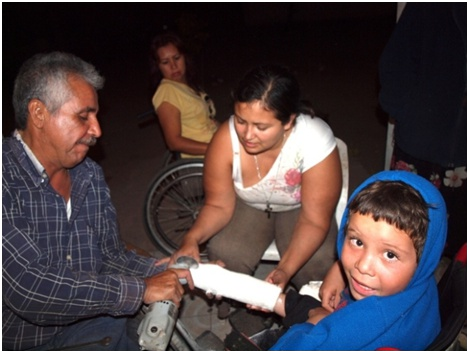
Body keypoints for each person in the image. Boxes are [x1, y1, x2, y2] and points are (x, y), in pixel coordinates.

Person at [2, 52, 194, 351]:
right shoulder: (6, 181)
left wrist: (167, 269)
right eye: (83, 116)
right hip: (28, 340)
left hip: (92, 322)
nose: (97, 130)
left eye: (96, 116)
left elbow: (110, 255)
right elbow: (30, 289)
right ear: (38, 113)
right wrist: (140, 289)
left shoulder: (87, 175)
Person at [169, 64, 342, 318]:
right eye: (240, 121)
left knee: (316, 261)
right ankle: (235, 302)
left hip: (299, 209)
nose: (248, 135)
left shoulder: (313, 139)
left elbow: (315, 220)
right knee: (225, 251)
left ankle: (311, 310)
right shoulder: (226, 139)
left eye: (261, 127)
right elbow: (218, 205)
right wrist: (191, 239)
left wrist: (284, 270)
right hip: (248, 205)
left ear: (288, 121)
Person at [252, 170, 447, 350]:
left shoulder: (351, 331)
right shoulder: (418, 281)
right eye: (357, 241)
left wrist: (311, 323)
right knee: (302, 305)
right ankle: (274, 299)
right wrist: (338, 269)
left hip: (322, 332)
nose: (362, 266)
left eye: (389, 255)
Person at [379, 2, 466, 257]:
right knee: (405, 231)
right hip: (422, 141)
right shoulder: (428, 7)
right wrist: (410, 113)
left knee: (458, 245)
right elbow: (395, 63)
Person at [150, 31, 218, 159]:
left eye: (176, 58)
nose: (173, 66)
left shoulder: (189, 86)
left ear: (184, 57)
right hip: (203, 158)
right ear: (158, 67)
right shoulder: (167, 92)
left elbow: (209, 122)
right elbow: (174, 142)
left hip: (216, 144)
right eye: (165, 62)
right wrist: (215, 149)